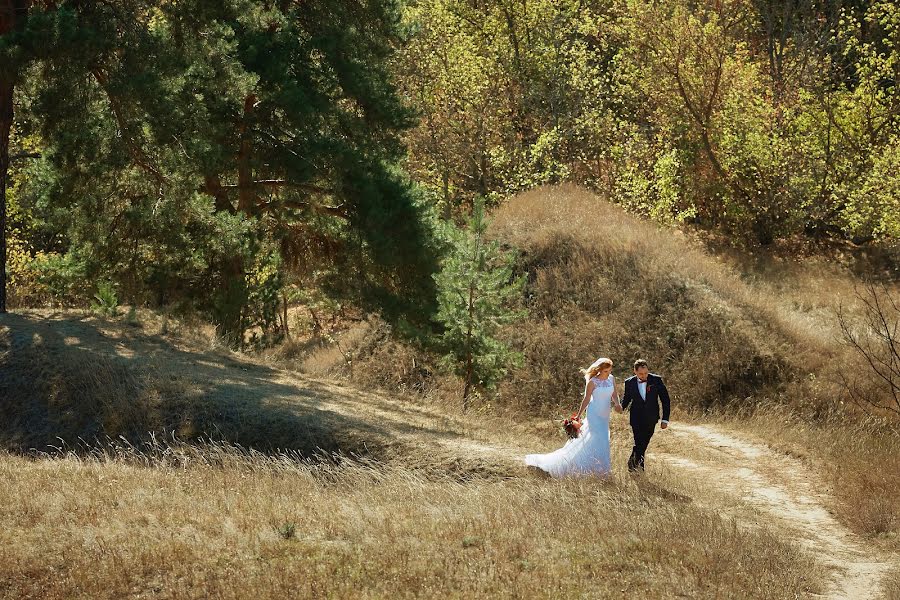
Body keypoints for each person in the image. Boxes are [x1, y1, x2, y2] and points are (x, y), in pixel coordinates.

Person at [524, 357, 623, 477]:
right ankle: (588, 469)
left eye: (610, 370)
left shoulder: (611, 379)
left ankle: (600, 470)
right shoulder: (593, 382)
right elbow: (586, 399)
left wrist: (617, 404)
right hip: (594, 414)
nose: (609, 373)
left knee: (604, 440)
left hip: (605, 415)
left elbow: (614, 394)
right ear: (599, 370)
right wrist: (579, 415)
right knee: (598, 439)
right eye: (606, 371)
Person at [621, 358, 671, 472]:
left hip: (651, 417)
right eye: (640, 374)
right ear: (635, 371)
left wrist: (665, 419)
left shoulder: (656, 380)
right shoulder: (629, 382)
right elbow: (626, 399)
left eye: (645, 373)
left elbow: (665, 400)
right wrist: (618, 407)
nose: (643, 376)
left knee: (643, 443)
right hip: (636, 418)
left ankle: (632, 464)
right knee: (639, 442)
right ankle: (638, 469)